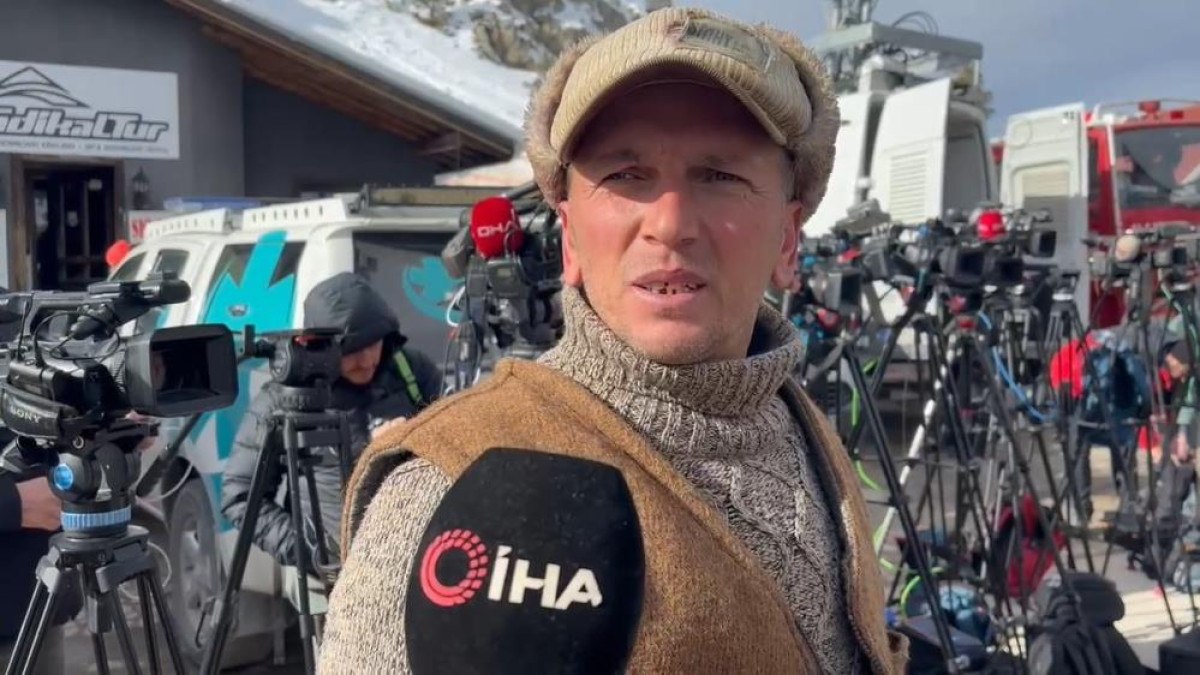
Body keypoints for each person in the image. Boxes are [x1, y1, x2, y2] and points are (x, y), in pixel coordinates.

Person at [319, 7, 906, 675]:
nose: (670, 224)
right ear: (569, 238)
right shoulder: (451, 482)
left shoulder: (809, 432)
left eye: (720, 176)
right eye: (625, 176)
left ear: (788, 241)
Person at [221, 272, 441, 572]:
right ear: (321, 348)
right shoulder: (285, 400)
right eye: (353, 351)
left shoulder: (412, 371)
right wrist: (318, 555)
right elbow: (240, 498)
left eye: (374, 343)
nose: (367, 360)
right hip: (334, 578)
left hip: (418, 566)